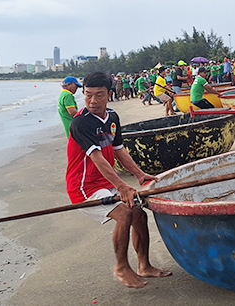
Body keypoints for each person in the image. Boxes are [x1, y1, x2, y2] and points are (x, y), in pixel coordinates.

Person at [65, 71, 172, 289]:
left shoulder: (112, 117)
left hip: (105, 183)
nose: (93, 101)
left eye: (99, 95)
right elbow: (97, 159)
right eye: (88, 95)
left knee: (138, 214)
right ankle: (121, 267)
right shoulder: (80, 123)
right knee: (124, 214)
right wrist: (121, 186)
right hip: (83, 187)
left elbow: (119, 150)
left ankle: (144, 265)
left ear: (109, 94)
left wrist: (139, 173)